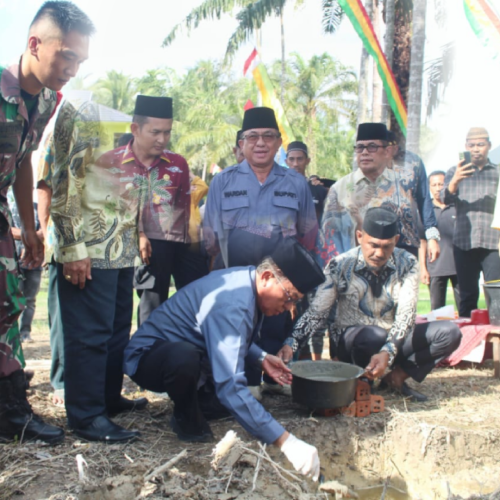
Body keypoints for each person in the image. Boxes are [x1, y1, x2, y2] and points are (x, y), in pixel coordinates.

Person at [124, 238, 324, 481]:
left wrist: (261, 358)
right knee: (188, 361)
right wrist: (286, 442)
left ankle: (198, 400)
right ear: (267, 277)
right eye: (288, 296)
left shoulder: (247, 280)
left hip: (191, 353)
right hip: (149, 357)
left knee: (228, 404)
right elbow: (230, 386)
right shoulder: (235, 303)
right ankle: (186, 417)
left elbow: (225, 335)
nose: (289, 306)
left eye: (295, 301)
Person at [0, 0, 93, 444]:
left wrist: (32, 226)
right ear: (35, 44)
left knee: (8, 301)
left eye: (81, 59)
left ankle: (10, 409)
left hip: (3, 209)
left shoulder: (48, 100)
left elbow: (22, 159)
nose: (72, 68)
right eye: (67, 55)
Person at [278, 208, 462, 402]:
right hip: (352, 341)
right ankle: (361, 380)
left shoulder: (408, 263)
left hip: (393, 340)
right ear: (359, 237)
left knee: (450, 333)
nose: (379, 253)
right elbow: (317, 312)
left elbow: (406, 315)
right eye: (373, 245)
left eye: (386, 247)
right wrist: (292, 342)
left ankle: (396, 378)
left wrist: (388, 351)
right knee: (374, 335)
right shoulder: (340, 265)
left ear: (396, 240)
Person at [50, 99, 148, 443]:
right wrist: (72, 247)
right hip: (89, 249)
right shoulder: (84, 114)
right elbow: (64, 181)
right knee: (90, 336)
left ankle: (107, 399)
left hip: (120, 250)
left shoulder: (127, 123)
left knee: (117, 331)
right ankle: (87, 416)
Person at [203, 107, 318, 397]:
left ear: (279, 142)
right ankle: (243, 380)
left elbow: (307, 234)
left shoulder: (296, 183)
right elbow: (210, 237)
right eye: (252, 137)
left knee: (274, 327)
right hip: (234, 276)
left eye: (268, 136)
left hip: (279, 282)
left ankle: (273, 377)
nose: (261, 143)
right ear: (241, 144)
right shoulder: (223, 182)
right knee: (235, 326)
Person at [321, 123, 440, 263]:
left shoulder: (408, 173)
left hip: (403, 251)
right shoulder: (341, 188)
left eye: (372, 147)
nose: (365, 152)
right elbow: (328, 235)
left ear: (387, 150)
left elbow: (424, 200)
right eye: (360, 147)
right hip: (358, 260)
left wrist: (432, 236)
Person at [131, 95, 191, 325]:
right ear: (135, 129)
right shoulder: (119, 162)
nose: (162, 139)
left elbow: (184, 208)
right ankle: (144, 356)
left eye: (167, 132)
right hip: (144, 247)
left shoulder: (178, 163)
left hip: (178, 243)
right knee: (151, 310)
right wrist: (140, 234)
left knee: (190, 304)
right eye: (155, 132)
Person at [443, 127, 500, 318]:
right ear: (466, 147)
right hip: (464, 243)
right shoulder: (455, 171)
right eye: (471, 145)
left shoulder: (497, 172)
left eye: (481, 145)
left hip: (493, 244)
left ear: (489, 146)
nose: (476, 149)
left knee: (496, 296)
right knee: (467, 296)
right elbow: (444, 199)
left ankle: (494, 339)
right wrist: (456, 181)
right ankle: (468, 342)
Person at [37, 132, 65, 406]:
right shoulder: (57, 139)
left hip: (98, 247)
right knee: (61, 317)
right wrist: (47, 237)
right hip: (63, 243)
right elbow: (44, 187)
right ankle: (61, 382)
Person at [418, 171, 460, 311]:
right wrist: (423, 268)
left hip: (459, 266)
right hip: (435, 267)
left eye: (441, 184)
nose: (437, 188)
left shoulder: (458, 207)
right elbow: (422, 241)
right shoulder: (426, 211)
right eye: (434, 185)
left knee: (465, 308)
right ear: (429, 187)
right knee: (437, 310)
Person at [8, 190, 43, 343]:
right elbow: (7, 230)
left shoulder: (39, 209)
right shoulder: (8, 208)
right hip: (13, 261)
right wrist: (28, 234)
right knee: (12, 299)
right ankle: (11, 334)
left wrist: (33, 236)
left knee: (30, 299)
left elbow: (45, 228)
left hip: (34, 262)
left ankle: (25, 332)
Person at [285, 141, 327, 222]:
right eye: (291, 159)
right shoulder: (277, 188)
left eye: (300, 159)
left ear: (307, 161)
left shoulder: (318, 189)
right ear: (286, 162)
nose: (295, 164)